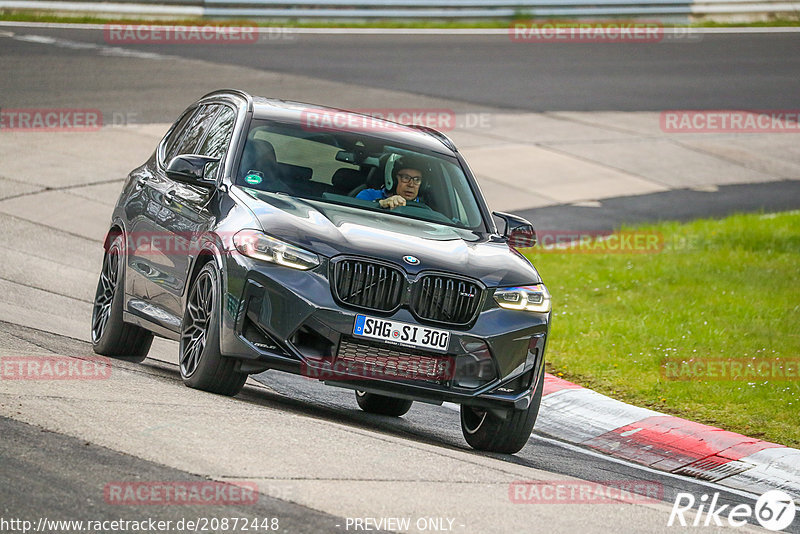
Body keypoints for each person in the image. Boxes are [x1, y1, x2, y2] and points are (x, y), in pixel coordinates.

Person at [356, 156, 425, 209]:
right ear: (393, 180)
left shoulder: (424, 209)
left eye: (417, 180)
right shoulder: (369, 195)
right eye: (405, 177)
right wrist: (380, 204)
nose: (411, 184)